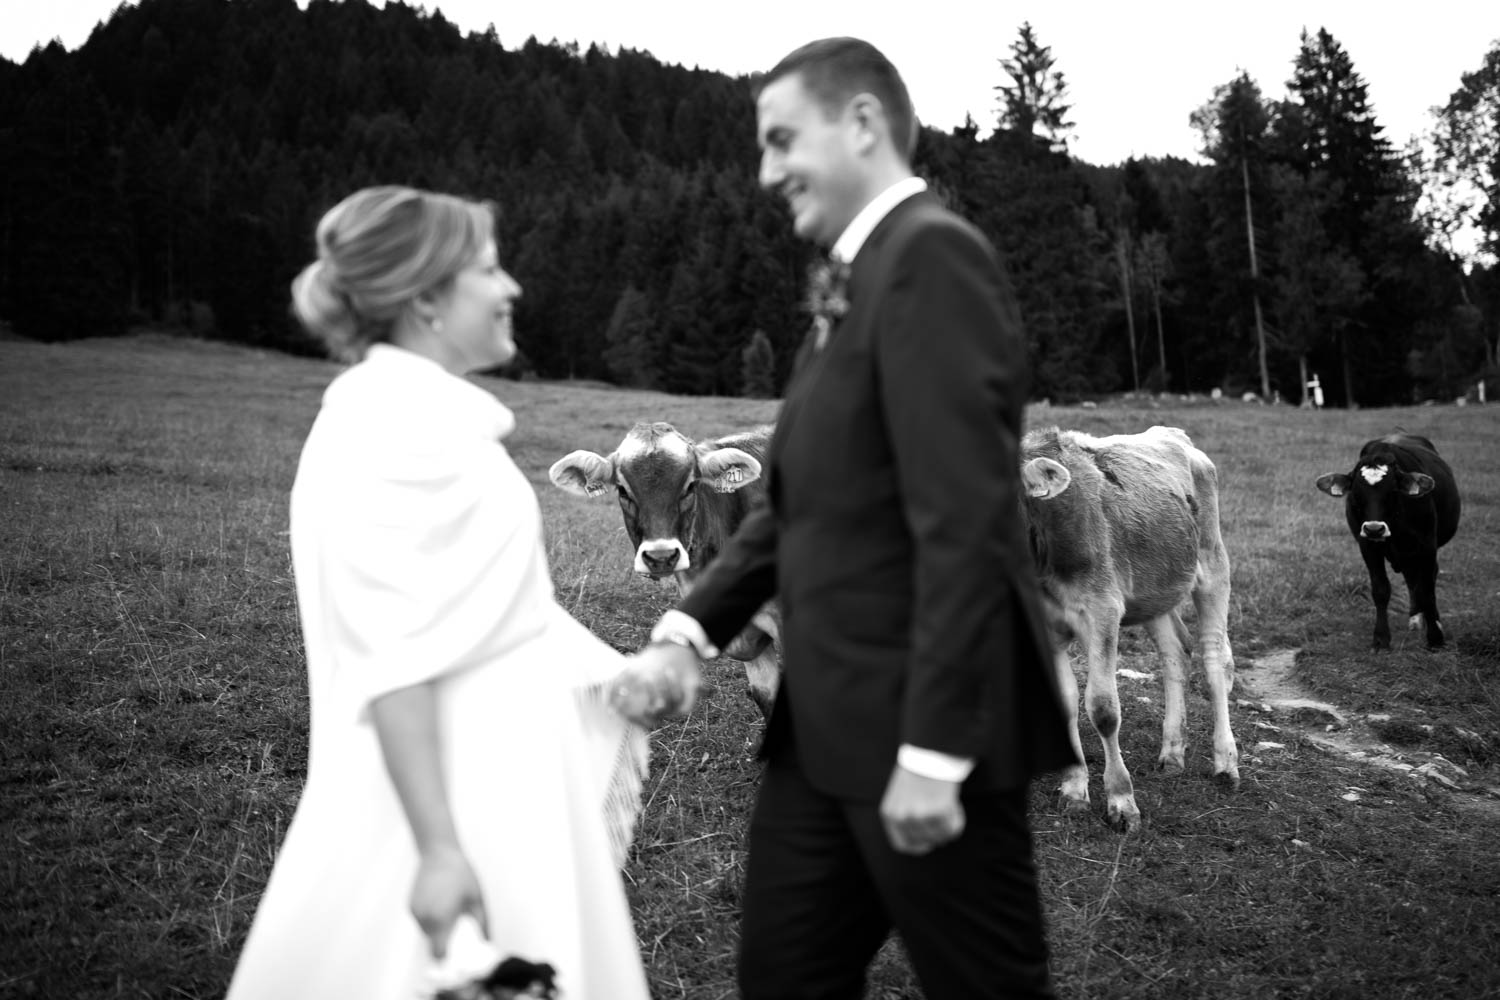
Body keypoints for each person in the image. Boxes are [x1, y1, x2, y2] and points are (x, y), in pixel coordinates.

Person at [612, 37, 1079, 1000]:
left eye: (783, 139)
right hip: (817, 728)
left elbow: (964, 519)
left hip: (923, 726)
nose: (766, 169)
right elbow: (801, 508)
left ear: (862, 123)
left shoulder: (935, 262)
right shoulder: (854, 284)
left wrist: (936, 749)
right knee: (782, 978)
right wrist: (688, 629)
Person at [226, 186, 651, 1000]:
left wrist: (613, 677)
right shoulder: (395, 429)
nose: (512, 288)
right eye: (489, 269)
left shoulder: (414, 416)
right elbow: (393, 656)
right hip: (459, 798)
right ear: (425, 298)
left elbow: (479, 609)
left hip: (500, 782)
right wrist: (440, 849)